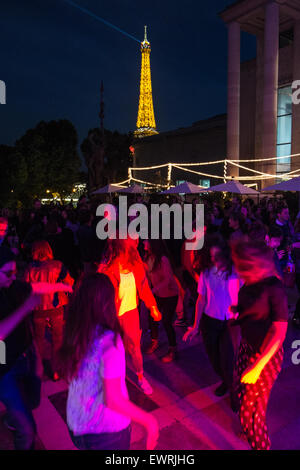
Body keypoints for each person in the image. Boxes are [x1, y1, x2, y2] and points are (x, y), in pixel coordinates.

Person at [58, 273, 159, 450]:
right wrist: (149, 421)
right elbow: (112, 400)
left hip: (77, 423)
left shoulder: (75, 331)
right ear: (107, 303)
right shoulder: (109, 340)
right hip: (105, 432)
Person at [231, 240, 288, 450]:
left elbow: (279, 332)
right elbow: (253, 310)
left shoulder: (275, 288)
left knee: (250, 412)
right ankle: (249, 431)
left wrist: (257, 367)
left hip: (265, 356)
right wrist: (237, 311)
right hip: (247, 347)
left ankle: (259, 443)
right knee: (239, 393)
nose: (237, 271)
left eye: (240, 266)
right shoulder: (250, 282)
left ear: (252, 266)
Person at [98, 238, 161, 395]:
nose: (133, 246)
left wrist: (153, 307)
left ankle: (140, 377)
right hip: (112, 315)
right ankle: (111, 380)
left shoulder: (136, 266)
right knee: (113, 349)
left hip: (130, 313)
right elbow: (98, 288)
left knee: (135, 347)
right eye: (128, 245)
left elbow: (144, 287)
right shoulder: (108, 268)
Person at [183, 235, 241, 403]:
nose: (216, 260)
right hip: (210, 321)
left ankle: (234, 392)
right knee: (215, 359)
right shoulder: (206, 273)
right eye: (212, 257)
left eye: (218, 256)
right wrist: (195, 326)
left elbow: (242, 295)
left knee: (228, 359)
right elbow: (201, 299)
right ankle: (226, 381)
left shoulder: (235, 272)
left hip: (230, 322)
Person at [24, 240, 74, 381]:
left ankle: (37, 372)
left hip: (38, 309)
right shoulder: (58, 265)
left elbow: (25, 290)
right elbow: (69, 282)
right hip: (55, 308)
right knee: (57, 340)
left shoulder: (30, 269)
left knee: (38, 341)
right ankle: (55, 371)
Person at [143, 239, 180, 362]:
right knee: (152, 317)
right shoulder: (148, 257)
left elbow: (168, 279)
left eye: (146, 241)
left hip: (170, 294)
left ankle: (172, 349)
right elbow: (148, 276)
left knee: (166, 321)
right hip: (157, 294)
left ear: (153, 243)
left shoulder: (163, 259)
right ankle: (155, 341)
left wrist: (153, 290)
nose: (143, 242)